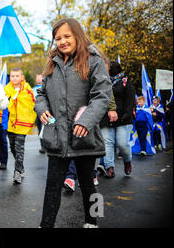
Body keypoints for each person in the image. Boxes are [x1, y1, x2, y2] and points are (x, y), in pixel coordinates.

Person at [35, 18, 111, 228]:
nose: (62, 41)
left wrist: (86, 121)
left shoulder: (93, 60)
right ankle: (45, 224)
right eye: (58, 38)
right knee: (52, 186)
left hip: (83, 135)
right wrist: (42, 109)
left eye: (67, 36)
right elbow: (40, 94)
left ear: (77, 35)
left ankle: (93, 221)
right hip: (57, 136)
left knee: (88, 183)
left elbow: (102, 95)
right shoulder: (52, 63)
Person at [100, 61, 135, 178]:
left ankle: (127, 160)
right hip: (106, 119)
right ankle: (109, 168)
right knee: (107, 143)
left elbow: (130, 100)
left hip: (123, 119)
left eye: (107, 68)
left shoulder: (125, 81)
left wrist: (126, 115)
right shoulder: (103, 81)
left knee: (122, 143)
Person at [4, 67, 37, 184]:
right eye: (12, 76)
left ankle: (17, 172)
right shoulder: (7, 89)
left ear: (22, 77)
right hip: (10, 124)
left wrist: (17, 98)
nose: (14, 78)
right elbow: (2, 103)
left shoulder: (27, 90)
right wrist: (10, 99)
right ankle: (21, 166)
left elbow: (31, 102)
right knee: (12, 147)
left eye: (17, 76)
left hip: (22, 124)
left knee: (19, 148)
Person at [33, 74, 45, 154]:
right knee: (40, 129)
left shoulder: (46, 86)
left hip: (46, 111)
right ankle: (42, 146)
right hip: (37, 113)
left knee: (48, 128)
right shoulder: (33, 89)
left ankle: (49, 145)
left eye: (40, 77)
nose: (38, 79)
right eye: (37, 78)